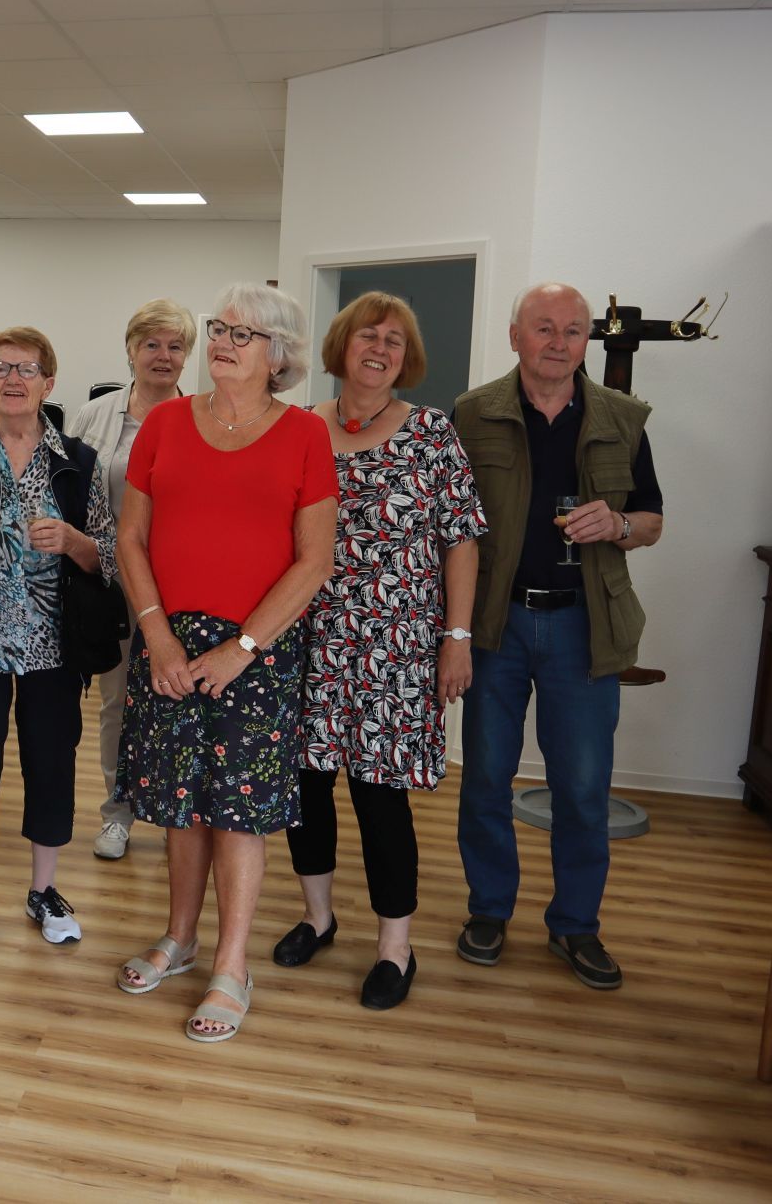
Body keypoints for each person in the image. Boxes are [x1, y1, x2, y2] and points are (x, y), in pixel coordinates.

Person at [113, 282, 338, 1042]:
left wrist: (242, 649)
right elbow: (130, 540)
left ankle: (231, 965)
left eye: (244, 334)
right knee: (181, 803)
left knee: (238, 814)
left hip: (258, 650)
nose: (224, 342)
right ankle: (180, 938)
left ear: (278, 355)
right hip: (169, 640)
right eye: (220, 329)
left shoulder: (306, 434)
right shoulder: (167, 422)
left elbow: (314, 562)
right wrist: (158, 636)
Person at [275, 293, 486, 1010]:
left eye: (396, 340)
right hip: (306, 640)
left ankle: (395, 947)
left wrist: (455, 637)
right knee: (306, 790)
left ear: (407, 358)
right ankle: (318, 915)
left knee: (380, 799)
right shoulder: (300, 428)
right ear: (342, 344)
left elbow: (461, 538)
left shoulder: (432, 435)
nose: (382, 347)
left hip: (395, 651)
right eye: (370, 334)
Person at [453, 281, 664, 991]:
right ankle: (488, 909)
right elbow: (452, 528)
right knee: (485, 775)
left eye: (573, 330)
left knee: (581, 786)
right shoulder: (472, 413)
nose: (558, 341)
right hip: (497, 622)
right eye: (543, 327)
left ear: (586, 342)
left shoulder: (622, 418)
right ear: (515, 335)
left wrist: (621, 525)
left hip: (584, 625)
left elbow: (654, 520)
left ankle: (575, 925)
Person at [0, 327, 116, 949]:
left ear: (49, 382)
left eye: (27, 369)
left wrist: (73, 542)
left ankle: (44, 890)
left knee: (52, 764)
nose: (13, 379)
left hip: (54, 647)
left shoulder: (77, 463)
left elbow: (110, 559)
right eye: (0, 368)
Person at [65, 299, 194, 862]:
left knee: (179, 704)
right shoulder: (95, 417)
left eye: (175, 346)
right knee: (118, 704)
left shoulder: (205, 417)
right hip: (111, 585)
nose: (162, 357)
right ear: (131, 350)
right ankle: (117, 812)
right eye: (152, 344)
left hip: (184, 585)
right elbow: (71, 494)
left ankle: (173, 814)